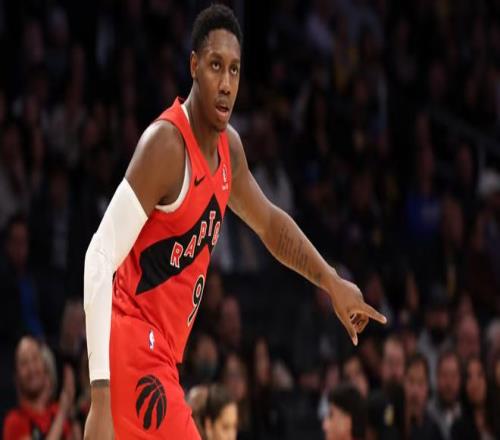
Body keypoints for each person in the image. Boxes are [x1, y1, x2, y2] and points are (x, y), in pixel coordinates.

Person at [83, 5, 387, 439]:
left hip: (164, 354)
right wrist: (100, 397)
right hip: (132, 344)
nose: (226, 83)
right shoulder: (166, 145)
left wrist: (330, 281)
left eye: (234, 70)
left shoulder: (230, 149)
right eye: (215, 66)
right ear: (193, 66)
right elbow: (98, 257)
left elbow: (270, 225)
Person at [3, 336, 77, 440]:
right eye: (24, 363)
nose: (31, 368)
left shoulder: (56, 411)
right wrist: (62, 413)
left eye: (35, 359)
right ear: (16, 376)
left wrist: (71, 408)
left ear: (45, 367)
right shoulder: (14, 421)